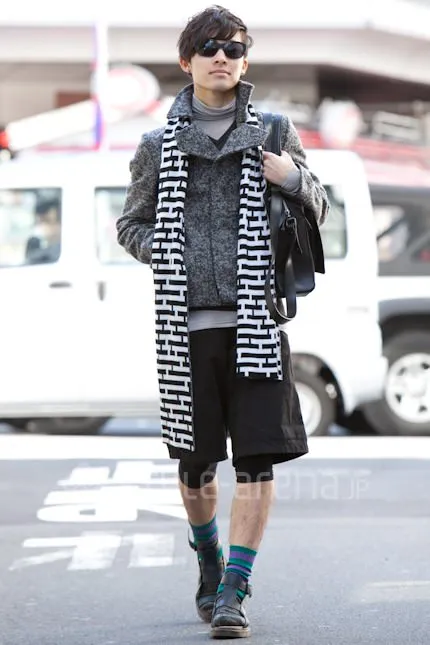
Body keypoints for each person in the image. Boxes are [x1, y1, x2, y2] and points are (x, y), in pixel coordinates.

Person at [116, 5, 329, 639]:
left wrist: (292, 177)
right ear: (187, 60)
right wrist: (168, 250)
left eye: (233, 48)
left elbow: (321, 207)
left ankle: (234, 587)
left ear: (245, 59)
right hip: (186, 331)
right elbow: (130, 224)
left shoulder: (274, 131)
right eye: (209, 47)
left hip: (257, 324)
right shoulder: (157, 145)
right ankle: (207, 554)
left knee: (257, 464)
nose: (221, 57)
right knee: (196, 468)